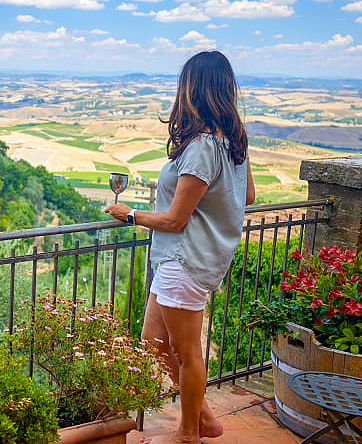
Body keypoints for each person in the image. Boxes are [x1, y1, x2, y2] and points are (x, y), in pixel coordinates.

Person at [104, 51, 255, 444]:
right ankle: (205, 418)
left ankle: (187, 434)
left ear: (194, 90)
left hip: (184, 259)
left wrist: (130, 213)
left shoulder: (204, 146)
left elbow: (173, 220)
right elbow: (247, 196)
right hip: (189, 258)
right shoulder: (233, 142)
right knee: (154, 344)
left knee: (187, 352)